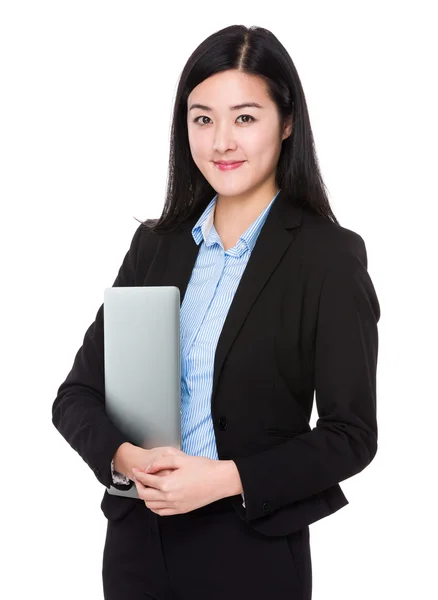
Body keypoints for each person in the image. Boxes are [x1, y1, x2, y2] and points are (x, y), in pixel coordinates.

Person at [52, 24, 380, 600]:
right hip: (137, 550)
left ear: (287, 123)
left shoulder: (327, 257)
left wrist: (224, 480)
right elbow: (75, 395)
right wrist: (126, 459)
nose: (221, 141)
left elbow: (350, 435)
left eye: (245, 117)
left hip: (250, 552)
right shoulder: (156, 245)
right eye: (203, 118)